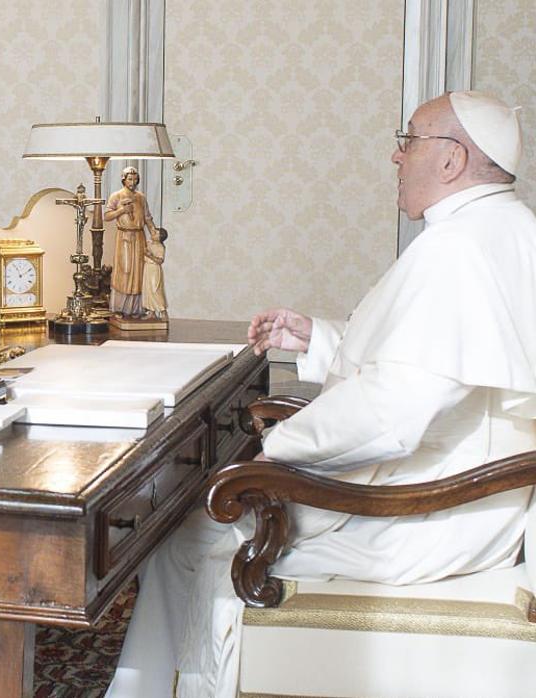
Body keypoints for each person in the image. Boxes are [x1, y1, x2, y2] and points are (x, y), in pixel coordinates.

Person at [106, 91, 536, 698]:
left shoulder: (459, 248)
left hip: (428, 515)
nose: (395, 155)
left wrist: (275, 451)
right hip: (468, 495)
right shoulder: (506, 229)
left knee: (187, 528)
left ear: (449, 160)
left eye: (407, 140)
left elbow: (396, 414)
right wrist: (322, 338)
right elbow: (431, 370)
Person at [105, 166, 158, 318]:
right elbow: (107, 216)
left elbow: (147, 217)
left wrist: (153, 231)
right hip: (124, 238)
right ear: (124, 179)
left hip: (139, 237)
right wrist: (122, 210)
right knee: (125, 269)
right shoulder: (117, 196)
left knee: (139, 270)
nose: (133, 182)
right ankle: (120, 308)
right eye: (130, 179)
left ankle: (137, 308)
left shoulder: (141, 197)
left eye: (135, 179)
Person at [141, 227, 168, 319]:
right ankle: (151, 312)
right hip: (147, 268)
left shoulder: (160, 247)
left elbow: (160, 261)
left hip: (154, 270)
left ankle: (163, 311)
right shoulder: (149, 244)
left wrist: (150, 255)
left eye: (155, 233)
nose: (152, 233)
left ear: (159, 237)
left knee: (155, 290)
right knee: (147, 289)